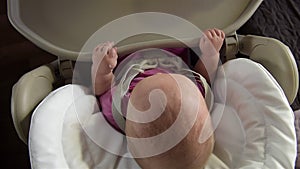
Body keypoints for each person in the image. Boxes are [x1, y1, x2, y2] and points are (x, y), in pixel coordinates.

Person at [91, 28, 225, 169]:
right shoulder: (194, 94)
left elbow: (102, 89)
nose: (159, 74)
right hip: (170, 39)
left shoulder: (120, 108)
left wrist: (103, 68)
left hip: (125, 46)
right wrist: (210, 55)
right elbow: (202, 75)